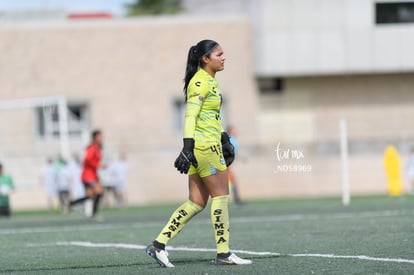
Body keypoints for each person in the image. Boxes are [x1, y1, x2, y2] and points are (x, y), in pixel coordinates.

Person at [145, 40, 252, 267]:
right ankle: (224, 253)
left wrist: (223, 136)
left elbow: (208, 116)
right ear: (205, 59)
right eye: (219, 54)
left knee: (196, 202)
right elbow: (190, 116)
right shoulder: (200, 82)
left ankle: (158, 245)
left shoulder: (210, 81)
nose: (224, 58)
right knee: (221, 197)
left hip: (205, 145)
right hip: (205, 148)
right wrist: (186, 147)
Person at [69, 130, 105, 221]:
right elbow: (87, 160)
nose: (101, 138)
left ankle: (72, 203)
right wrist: (98, 165)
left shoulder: (98, 148)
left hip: (92, 175)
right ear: (94, 138)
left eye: (102, 136)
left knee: (91, 196)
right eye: (99, 137)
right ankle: (94, 214)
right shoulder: (92, 148)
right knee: (99, 192)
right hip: (88, 176)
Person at [226, 125, 245, 206]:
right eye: (234, 130)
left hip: (229, 164)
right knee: (232, 181)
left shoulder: (233, 139)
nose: (236, 132)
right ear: (231, 131)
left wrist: (241, 158)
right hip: (227, 164)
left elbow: (234, 152)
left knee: (232, 181)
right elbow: (228, 152)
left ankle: (237, 200)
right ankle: (237, 200)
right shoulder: (229, 139)